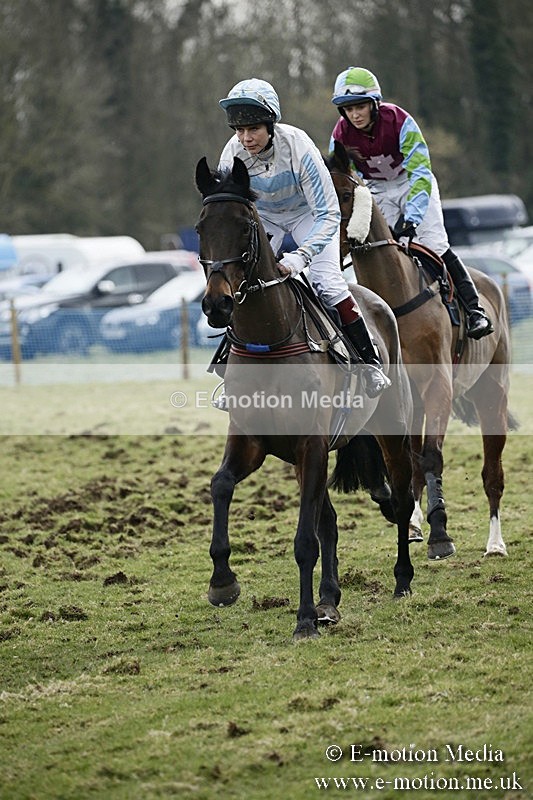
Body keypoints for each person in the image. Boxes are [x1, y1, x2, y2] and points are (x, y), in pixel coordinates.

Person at [217, 78, 390, 398]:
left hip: (307, 214)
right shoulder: (232, 153)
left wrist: (300, 257)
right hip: (265, 219)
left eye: (253, 129)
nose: (245, 138)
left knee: (327, 281)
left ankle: (369, 362)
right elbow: (231, 210)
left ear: (271, 125)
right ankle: (228, 366)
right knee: (241, 282)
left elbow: (328, 213)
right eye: (239, 130)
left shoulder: (298, 146)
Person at [329, 67, 493, 340]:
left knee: (434, 244)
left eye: (360, 107)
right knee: (376, 249)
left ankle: (475, 310)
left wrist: (412, 219)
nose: (354, 115)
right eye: (348, 109)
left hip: (412, 183)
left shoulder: (399, 120)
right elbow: (343, 177)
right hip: (376, 188)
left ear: (374, 104)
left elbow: (420, 171)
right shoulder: (340, 134)